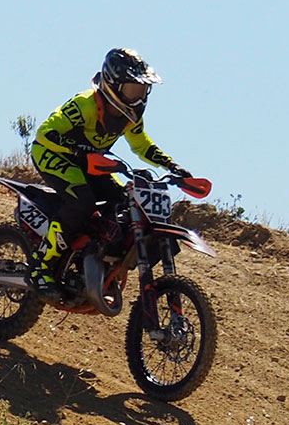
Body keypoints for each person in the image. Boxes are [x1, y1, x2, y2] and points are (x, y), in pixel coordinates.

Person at [27, 48, 189, 296]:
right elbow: (45, 134)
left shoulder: (130, 117)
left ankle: (90, 256)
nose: (138, 98)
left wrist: (172, 165)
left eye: (143, 90)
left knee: (122, 201)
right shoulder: (84, 105)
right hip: (53, 154)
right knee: (81, 202)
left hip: (91, 162)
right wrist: (76, 149)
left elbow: (142, 145)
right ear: (113, 84)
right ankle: (41, 267)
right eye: (132, 90)